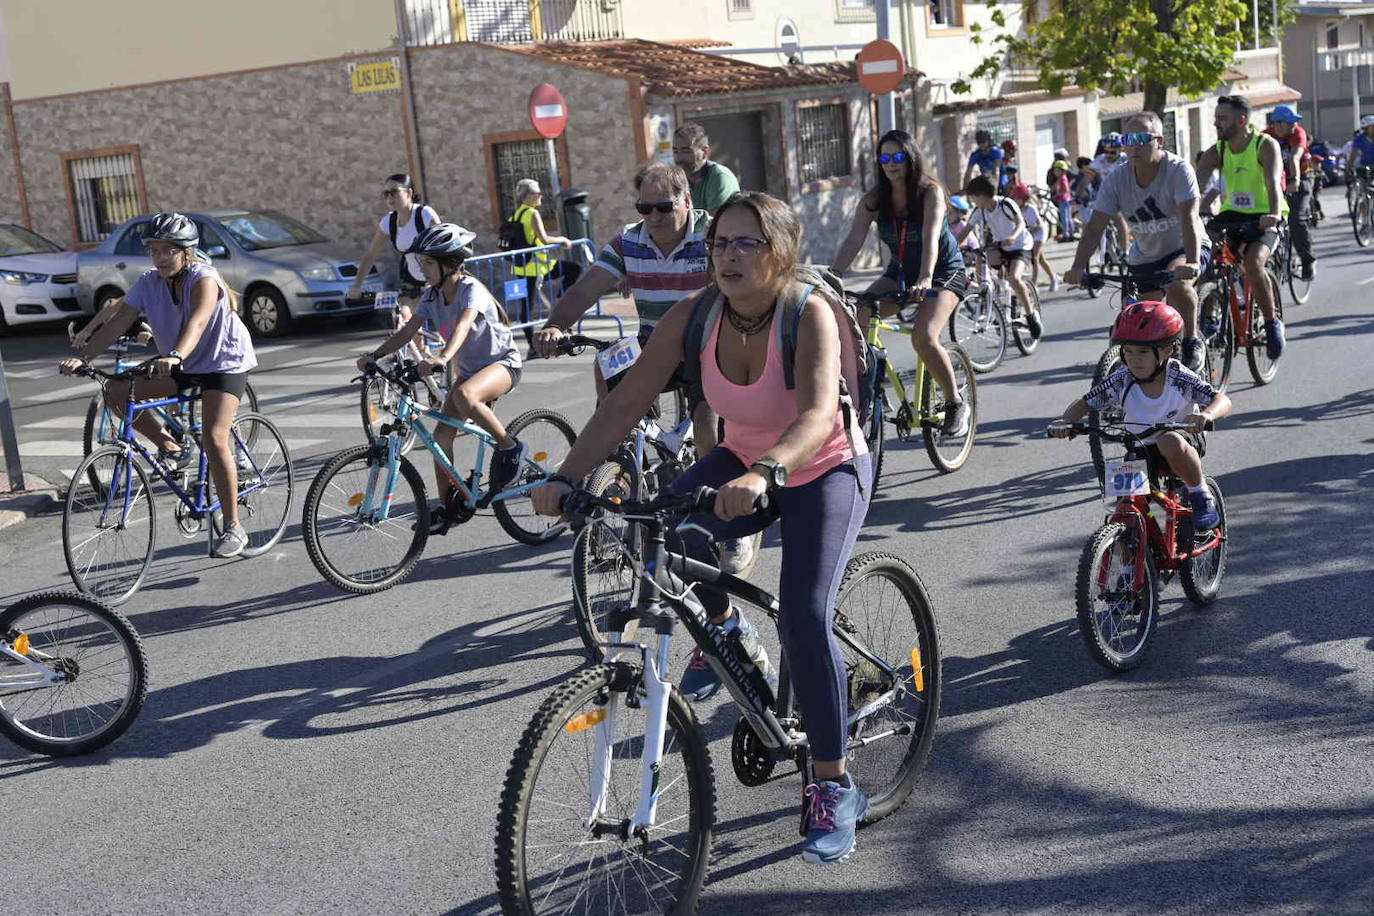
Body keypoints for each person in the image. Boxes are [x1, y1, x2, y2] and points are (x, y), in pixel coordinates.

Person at [532, 191, 873, 865]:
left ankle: (833, 783)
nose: (730, 256)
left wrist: (766, 473)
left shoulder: (809, 314)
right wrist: (567, 477)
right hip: (739, 459)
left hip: (821, 464)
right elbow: (627, 401)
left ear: (780, 254)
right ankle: (730, 638)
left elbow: (812, 418)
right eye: (720, 243)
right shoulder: (696, 316)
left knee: (804, 614)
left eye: (747, 244)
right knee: (659, 541)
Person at [532, 161, 752, 574]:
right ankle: (621, 461)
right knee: (608, 364)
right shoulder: (629, 244)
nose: (653, 218)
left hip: (711, 344)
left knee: (708, 426)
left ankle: (729, 523)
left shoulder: (712, 237)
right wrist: (556, 324)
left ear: (687, 201)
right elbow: (587, 287)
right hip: (656, 345)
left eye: (662, 208)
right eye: (643, 208)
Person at [59, 212, 258, 558]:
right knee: (116, 392)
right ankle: (172, 447)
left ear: (187, 252)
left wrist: (177, 354)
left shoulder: (205, 278)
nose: (161, 257)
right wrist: (86, 358)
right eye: (155, 250)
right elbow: (119, 321)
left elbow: (197, 322)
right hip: (180, 361)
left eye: (169, 250)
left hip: (222, 362)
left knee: (214, 437)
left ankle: (234, 527)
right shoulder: (149, 281)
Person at [356, 223, 524, 534]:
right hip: (473, 374)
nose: (422, 270)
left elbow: (462, 326)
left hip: (503, 365)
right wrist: (375, 356)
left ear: (450, 264)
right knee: (440, 437)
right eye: (421, 263)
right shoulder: (432, 295)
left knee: (465, 395)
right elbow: (408, 331)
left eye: (428, 263)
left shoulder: (471, 290)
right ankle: (448, 506)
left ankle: (509, 446)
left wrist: (442, 358)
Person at [832, 129, 972, 437]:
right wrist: (834, 275)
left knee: (922, 337)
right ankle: (865, 385)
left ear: (910, 158)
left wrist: (925, 276)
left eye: (898, 157)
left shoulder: (929, 192)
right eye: (885, 158)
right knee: (855, 317)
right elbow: (855, 238)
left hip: (942, 272)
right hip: (900, 272)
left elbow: (930, 235)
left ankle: (954, 402)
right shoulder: (874, 199)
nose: (891, 164)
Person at [1048, 301, 1231, 529]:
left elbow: (1222, 400)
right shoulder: (1122, 378)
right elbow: (1086, 402)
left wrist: (1206, 415)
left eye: (1143, 352)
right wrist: (1067, 421)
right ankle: (1127, 559)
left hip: (1183, 441)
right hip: (1139, 448)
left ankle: (1201, 495)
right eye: (1128, 351)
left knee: (1169, 439)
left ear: (1168, 350)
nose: (1134, 359)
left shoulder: (1178, 378)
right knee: (1125, 513)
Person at [1064, 111, 1210, 373]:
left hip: (1185, 246)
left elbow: (1189, 217)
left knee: (1178, 285)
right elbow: (1096, 225)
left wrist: (1191, 261)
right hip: (1146, 255)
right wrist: (1077, 267)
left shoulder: (1178, 170)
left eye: (1142, 138)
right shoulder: (1117, 178)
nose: (1134, 145)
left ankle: (1192, 341)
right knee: (1141, 321)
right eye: (1128, 139)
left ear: (1160, 141)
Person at [1194, 94, 1287, 360]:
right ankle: (1210, 312)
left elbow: (1272, 182)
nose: (1216, 124)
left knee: (1253, 264)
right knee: (1206, 260)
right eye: (1215, 119)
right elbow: (1194, 186)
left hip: (1265, 215)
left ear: (1242, 120)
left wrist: (1273, 213)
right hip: (1231, 214)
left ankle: (1271, 324)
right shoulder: (1217, 151)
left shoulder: (1264, 145)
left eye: (1222, 119)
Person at [956, 175, 1042, 339]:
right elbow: (965, 232)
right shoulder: (980, 211)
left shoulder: (1005, 203)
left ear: (981, 196)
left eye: (973, 198)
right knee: (981, 257)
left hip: (1020, 245)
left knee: (1014, 278)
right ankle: (991, 298)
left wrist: (1013, 236)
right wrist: (949, 247)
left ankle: (1031, 316)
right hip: (1000, 246)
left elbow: (1021, 223)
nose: (972, 201)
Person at [347, 173, 440, 318]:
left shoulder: (425, 215)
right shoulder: (388, 222)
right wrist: (357, 285)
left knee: (440, 321)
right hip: (410, 275)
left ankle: (444, 339)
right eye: (386, 193)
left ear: (409, 193)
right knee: (405, 316)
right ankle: (417, 340)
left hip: (435, 273)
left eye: (394, 192)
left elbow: (443, 247)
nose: (390, 197)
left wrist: (435, 280)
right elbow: (371, 255)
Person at [508, 178, 574, 356]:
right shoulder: (532, 214)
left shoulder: (516, 215)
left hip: (521, 268)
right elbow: (544, 239)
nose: (541, 196)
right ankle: (532, 347)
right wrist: (562, 239)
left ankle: (531, 346)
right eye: (537, 193)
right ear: (528, 196)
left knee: (525, 306)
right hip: (535, 268)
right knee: (574, 270)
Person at [1264, 104, 1316, 280]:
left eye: (1294, 122)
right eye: (1289, 122)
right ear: (1276, 124)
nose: (1294, 125)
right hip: (1278, 181)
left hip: (1301, 178)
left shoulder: (1297, 133)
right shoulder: (1266, 136)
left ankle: (1307, 261)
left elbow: (1294, 157)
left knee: (1296, 220)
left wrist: (1295, 180)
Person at [672, 122, 741, 214]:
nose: (679, 158)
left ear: (704, 152)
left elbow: (713, 223)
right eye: (675, 151)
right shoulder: (682, 181)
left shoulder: (719, 177)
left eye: (686, 151)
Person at [1010, 181, 1059, 291]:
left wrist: (1029, 232)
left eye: (1017, 199)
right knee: (1041, 259)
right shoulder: (1016, 210)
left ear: (1023, 199)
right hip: (1030, 234)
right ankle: (1053, 277)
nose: (1015, 201)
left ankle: (1034, 284)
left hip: (1039, 233)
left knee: (1035, 258)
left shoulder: (1031, 209)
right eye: (1014, 199)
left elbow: (1038, 225)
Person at [1048, 159, 1076, 240]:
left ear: (1062, 171)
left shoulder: (1062, 178)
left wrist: (1056, 195)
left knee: (1065, 218)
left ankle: (1066, 234)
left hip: (1063, 200)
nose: (1055, 172)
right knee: (1068, 218)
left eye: (1057, 170)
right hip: (1066, 200)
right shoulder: (1062, 178)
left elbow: (1066, 190)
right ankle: (1071, 233)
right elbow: (1055, 187)